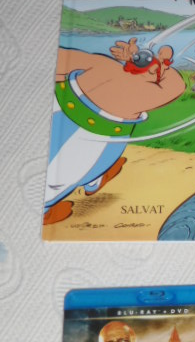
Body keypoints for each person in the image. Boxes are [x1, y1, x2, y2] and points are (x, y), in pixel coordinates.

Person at [46, 39, 185, 225]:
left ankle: (92, 182)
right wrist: (164, 65)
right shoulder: (107, 67)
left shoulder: (141, 90)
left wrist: (162, 64)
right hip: (72, 121)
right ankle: (49, 207)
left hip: (98, 136)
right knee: (65, 170)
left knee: (79, 168)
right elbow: (61, 60)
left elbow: (176, 86)